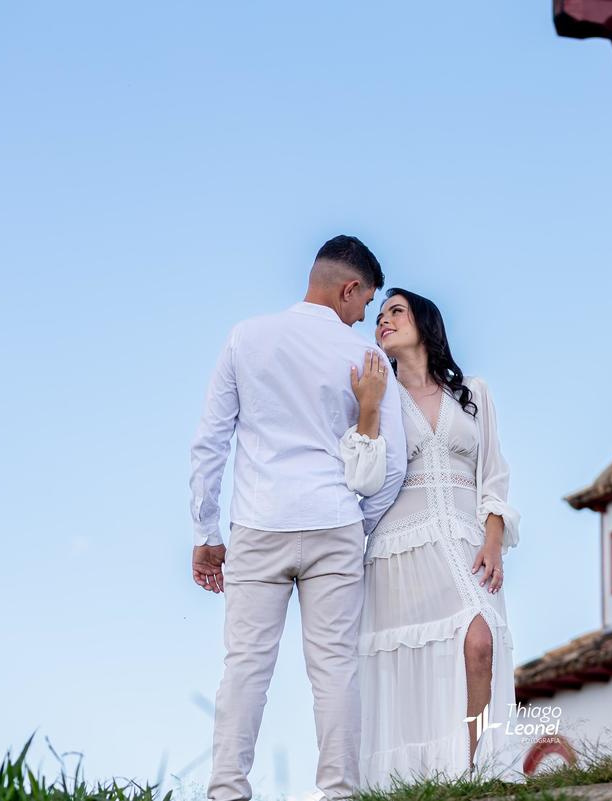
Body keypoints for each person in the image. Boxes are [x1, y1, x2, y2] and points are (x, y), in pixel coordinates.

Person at [188, 235, 407, 801]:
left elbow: (210, 442)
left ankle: (226, 791)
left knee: (245, 666)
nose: (363, 318)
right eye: (365, 303)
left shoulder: (246, 337)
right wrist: (358, 522)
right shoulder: (365, 358)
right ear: (349, 289)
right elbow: (395, 462)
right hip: (335, 520)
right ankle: (339, 793)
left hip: (259, 522)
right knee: (335, 668)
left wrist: (206, 532)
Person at [339, 287, 525, 790]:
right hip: (400, 551)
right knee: (409, 666)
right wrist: (368, 408)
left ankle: (473, 771)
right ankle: (415, 782)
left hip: (467, 544)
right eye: (379, 315)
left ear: (425, 322)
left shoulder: (474, 392)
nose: (383, 320)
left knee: (480, 641)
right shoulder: (380, 396)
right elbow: (362, 478)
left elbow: (495, 476)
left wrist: (493, 539)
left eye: (396, 311)